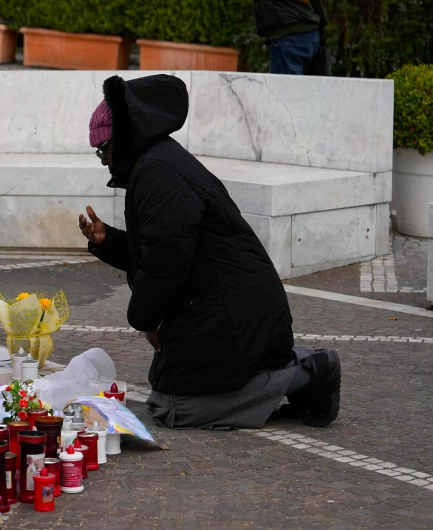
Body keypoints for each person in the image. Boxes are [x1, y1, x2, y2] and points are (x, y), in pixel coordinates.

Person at [79, 74, 341, 429]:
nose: (102, 161)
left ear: (123, 139)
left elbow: (166, 261)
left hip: (231, 313)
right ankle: (290, 367)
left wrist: (146, 318)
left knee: (174, 408)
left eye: (102, 150)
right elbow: (159, 249)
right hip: (222, 309)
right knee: (166, 396)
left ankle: (305, 374)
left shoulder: (157, 172)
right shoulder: (156, 163)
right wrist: (107, 241)